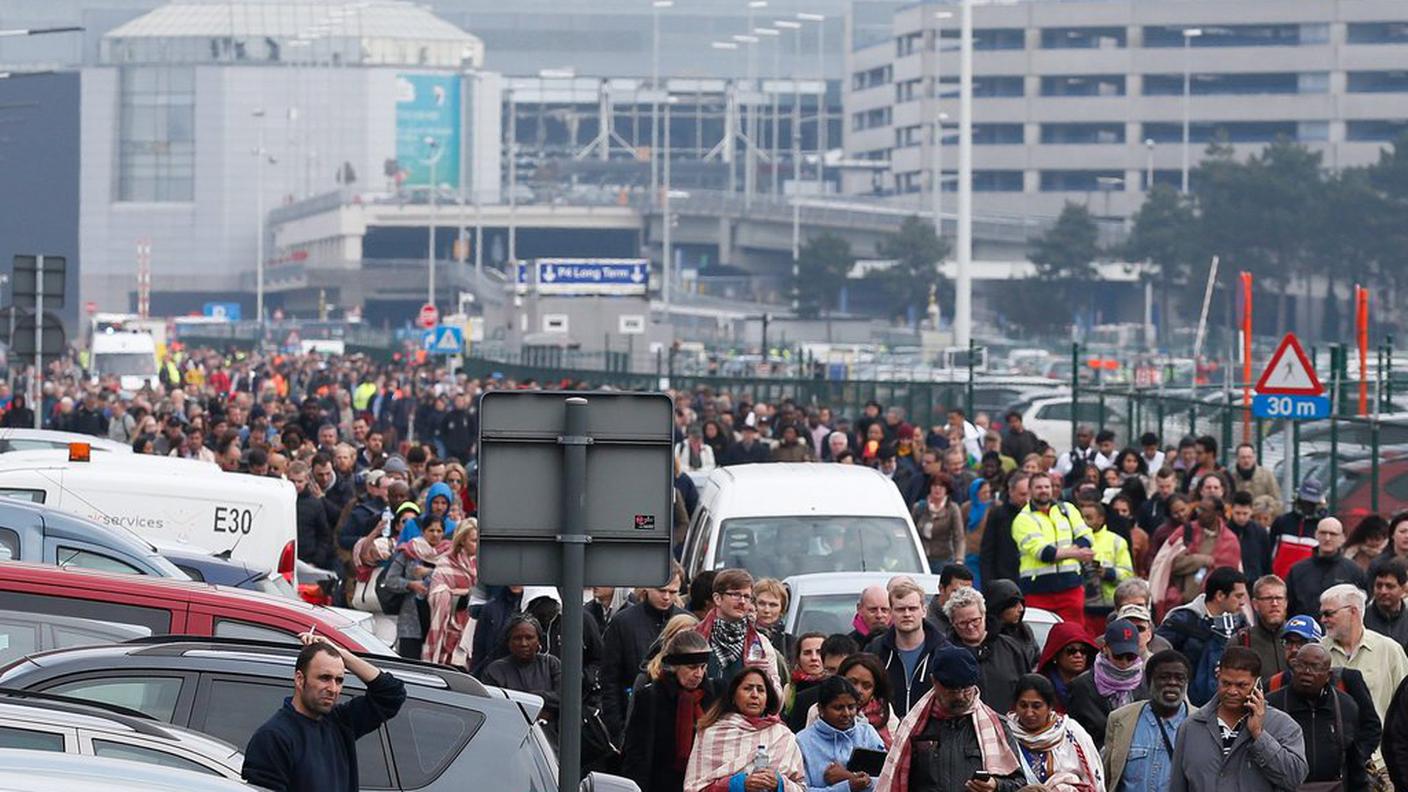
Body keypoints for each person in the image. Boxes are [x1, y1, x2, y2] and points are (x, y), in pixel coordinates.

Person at [242, 633, 407, 792]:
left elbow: (392, 694)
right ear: (300, 679)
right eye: (324, 678)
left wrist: (341, 653)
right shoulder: (274, 737)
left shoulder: (340, 723)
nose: (333, 689)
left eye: (339, 680)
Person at [873, 645, 1024, 792]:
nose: (959, 696)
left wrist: (996, 785)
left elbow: (1020, 783)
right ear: (934, 681)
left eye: (965, 689)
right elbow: (898, 779)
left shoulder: (997, 727)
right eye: (951, 690)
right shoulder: (913, 727)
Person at [1166, 646, 1307, 792]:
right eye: (1226, 683)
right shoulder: (1191, 727)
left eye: (1242, 685)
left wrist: (1259, 735)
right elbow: (1177, 785)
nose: (1232, 691)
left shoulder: (1283, 725)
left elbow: (1294, 778)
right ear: (1218, 677)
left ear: (1257, 683)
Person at [621, 630, 719, 792]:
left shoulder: (714, 695)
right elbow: (637, 755)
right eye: (692, 667)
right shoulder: (651, 697)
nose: (699, 674)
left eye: (703, 667)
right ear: (674, 667)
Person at [1265, 643, 1370, 791]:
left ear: (1328, 675)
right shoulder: (1271, 704)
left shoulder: (1345, 705)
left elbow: (1355, 762)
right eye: (1301, 665)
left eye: (1315, 667)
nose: (1307, 672)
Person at [683, 667, 806, 792]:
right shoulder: (711, 733)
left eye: (760, 690)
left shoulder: (783, 736)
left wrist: (778, 783)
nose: (754, 695)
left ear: (767, 699)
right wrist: (737, 784)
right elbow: (694, 788)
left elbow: (801, 788)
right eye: (747, 688)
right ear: (733, 696)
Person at [601, 563, 688, 737]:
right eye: (661, 591)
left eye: (673, 592)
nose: (666, 597)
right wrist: (617, 728)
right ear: (647, 587)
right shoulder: (623, 622)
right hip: (633, 717)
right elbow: (610, 678)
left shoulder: (686, 621)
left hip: (677, 720)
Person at [1319, 583, 1408, 743]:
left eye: (1328, 613)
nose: (1323, 619)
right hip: (1334, 759)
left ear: (1353, 611)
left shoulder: (1389, 650)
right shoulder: (1317, 652)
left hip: (1381, 761)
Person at [1154, 567, 1249, 706]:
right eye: (1238, 596)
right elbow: (1159, 651)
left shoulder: (1239, 622)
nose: (1242, 602)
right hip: (1186, 702)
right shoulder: (1184, 620)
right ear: (1220, 596)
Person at [1102, 650, 1191, 792]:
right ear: (1150, 681)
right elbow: (1107, 775)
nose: (1172, 683)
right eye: (1164, 677)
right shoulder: (1121, 720)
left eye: (1179, 678)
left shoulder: (1202, 723)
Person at [1012, 472, 1094, 624]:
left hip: (1070, 587)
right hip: (1037, 591)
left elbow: (1086, 537)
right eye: (1038, 487)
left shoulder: (1067, 510)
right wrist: (1077, 553)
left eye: (1046, 486)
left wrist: (1068, 552)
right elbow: (1044, 553)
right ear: (1030, 491)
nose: (1043, 490)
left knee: (1074, 633)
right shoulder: (1023, 519)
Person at [865, 580, 952, 717]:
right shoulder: (875, 650)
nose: (907, 614)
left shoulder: (944, 651)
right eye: (900, 609)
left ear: (924, 610)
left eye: (912, 608)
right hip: (886, 733)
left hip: (931, 734)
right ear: (891, 612)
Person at [1005, 674, 1104, 792]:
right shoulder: (1004, 733)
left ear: (1050, 706)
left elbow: (1094, 780)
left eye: (1036, 706)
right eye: (1023, 705)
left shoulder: (1071, 732)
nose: (1029, 713)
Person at [945, 586, 1036, 715]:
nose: (970, 627)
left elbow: (1028, 690)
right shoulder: (945, 654)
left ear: (984, 615)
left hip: (1008, 727)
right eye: (963, 623)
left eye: (975, 620)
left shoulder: (1012, 648)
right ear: (952, 623)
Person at [696, 568, 782, 692]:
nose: (742, 601)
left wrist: (765, 678)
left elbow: (777, 704)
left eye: (747, 597)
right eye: (736, 595)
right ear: (717, 598)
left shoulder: (761, 643)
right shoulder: (694, 637)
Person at [796, 675, 887, 792]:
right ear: (821, 709)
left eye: (851, 707)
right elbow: (800, 789)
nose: (846, 713)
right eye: (838, 708)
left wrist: (850, 777)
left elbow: (887, 779)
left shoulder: (867, 734)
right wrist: (846, 787)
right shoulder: (803, 741)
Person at [1066, 620, 1145, 749]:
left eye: (1131, 656)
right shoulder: (1082, 687)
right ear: (1105, 648)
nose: (1124, 662)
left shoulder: (1146, 682)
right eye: (1118, 655)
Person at [382, 512, 450, 659]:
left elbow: (453, 579)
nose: (435, 535)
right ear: (423, 531)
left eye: (439, 531)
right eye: (431, 530)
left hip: (437, 619)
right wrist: (411, 584)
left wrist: (430, 572)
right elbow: (390, 580)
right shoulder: (409, 552)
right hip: (411, 621)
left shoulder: (449, 555)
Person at [481, 615, 563, 732]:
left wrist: (523, 697)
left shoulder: (551, 664)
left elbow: (563, 699)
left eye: (529, 638)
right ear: (508, 642)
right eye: (517, 638)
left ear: (538, 640)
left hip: (550, 736)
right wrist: (539, 706)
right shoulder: (495, 670)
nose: (523, 643)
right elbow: (495, 708)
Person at [805, 654, 901, 748]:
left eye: (866, 686)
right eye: (852, 682)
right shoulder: (818, 710)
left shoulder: (884, 711)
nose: (858, 690)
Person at [422, 518, 477, 667]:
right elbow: (436, 591)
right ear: (462, 540)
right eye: (474, 540)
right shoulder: (446, 561)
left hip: (475, 628)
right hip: (449, 628)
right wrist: (461, 593)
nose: (478, 545)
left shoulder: (483, 563)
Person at [1284, 517, 1365, 618]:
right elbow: (1287, 607)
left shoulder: (1354, 571)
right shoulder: (1297, 571)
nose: (1327, 538)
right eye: (1323, 533)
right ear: (1316, 535)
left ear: (1342, 538)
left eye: (1333, 534)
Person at [1079, 501, 1133, 636]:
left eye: (1089, 518)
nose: (1084, 522)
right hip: (1083, 607)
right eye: (1082, 518)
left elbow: (1128, 575)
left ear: (1101, 519)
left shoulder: (1116, 541)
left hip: (1111, 607)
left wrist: (1107, 573)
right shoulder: (1073, 543)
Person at [1269, 478, 1328, 579]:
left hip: (1308, 583)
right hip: (1279, 582)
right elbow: (1269, 552)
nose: (1308, 506)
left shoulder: (1322, 527)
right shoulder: (1282, 521)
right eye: (1305, 502)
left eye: (1312, 503)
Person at [980, 474, 1030, 588]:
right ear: (1011, 492)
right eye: (1022, 494)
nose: (1027, 499)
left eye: (1029, 494)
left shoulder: (1036, 514)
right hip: (1004, 578)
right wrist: (988, 583)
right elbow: (987, 551)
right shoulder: (998, 514)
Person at [1034, 622, 1097, 713]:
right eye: (1071, 651)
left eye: (1083, 651)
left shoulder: (1097, 685)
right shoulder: (1039, 687)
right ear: (1056, 655)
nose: (1078, 655)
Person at [915, 475, 964, 573]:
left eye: (941, 487)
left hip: (943, 559)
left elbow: (958, 537)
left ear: (947, 490)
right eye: (934, 486)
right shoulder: (919, 507)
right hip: (921, 558)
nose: (937, 489)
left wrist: (959, 559)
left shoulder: (952, 508)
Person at [1246, 575, 1289, 684]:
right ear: (1255, 604)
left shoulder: (1301, 638)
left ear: (1286, 602)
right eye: (1268, 598)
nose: (1274, 604)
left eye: (1279, 598)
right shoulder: (1242, 640)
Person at [1225, 491, 1272, 582]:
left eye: (1245, 513)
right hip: (1230, 582)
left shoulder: (1260, 532)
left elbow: (1266, 562)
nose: (1241, 518)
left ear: (1251, 511)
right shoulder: (1224, 531)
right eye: (1237, 513)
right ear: (1231, 510)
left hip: (1254, 582)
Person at [1365, 558, 1408, 645]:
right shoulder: (1362, 619)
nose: (1383, 591)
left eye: (1389, 586)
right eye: (1379, 586)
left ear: (1403, 589)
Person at [926, 564, 974, 637]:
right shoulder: (927, 624)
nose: (962, 597)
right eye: (956, 592)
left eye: (967, 592)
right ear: (941, 589)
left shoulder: (975, 620)